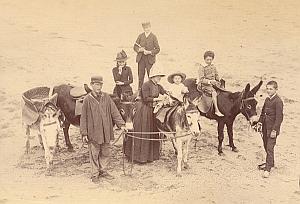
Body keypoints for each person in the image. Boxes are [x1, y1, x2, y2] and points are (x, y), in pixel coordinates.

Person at [80, 76, 126, 183]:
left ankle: (103, 171)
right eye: (96, 84)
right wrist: (84, 133)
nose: (98, 87)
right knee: (94, 153)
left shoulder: (106, 97)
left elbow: (114, 112)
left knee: (105, 152)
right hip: (93, 132)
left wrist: (122, 125)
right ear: (91, 85)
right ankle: (95, 174)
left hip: (106, 131)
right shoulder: (87, 99)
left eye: (100, 84)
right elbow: (83, 118)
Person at [124, 68, 166, 163]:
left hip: (153, 110)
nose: (159, 78)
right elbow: (146, 98)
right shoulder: (146, 85)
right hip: (144, 110)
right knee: (143, 130)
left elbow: (164, 92)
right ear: (152, 76)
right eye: (157, 76)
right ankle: (138, 157)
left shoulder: (158, 86)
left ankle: (151, 156)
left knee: (153, 130)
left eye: (160, 76)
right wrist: (157, 99)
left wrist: (168, 94)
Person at [255, 81, 283, 178]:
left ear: (276, 89)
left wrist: (275, 130)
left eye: (271, 89)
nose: (268, 91)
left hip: (272, 129)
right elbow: (263, 113)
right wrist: (259, 122)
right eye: (267, 88)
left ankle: (267, 169)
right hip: (265, 127)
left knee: (270, 147)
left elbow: (279, 118)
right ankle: (271, 162)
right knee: (266, 145)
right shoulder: (267, 100)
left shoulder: (278, 101)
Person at [133, 21, 160, 90]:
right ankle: (140, 92)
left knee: (150, 76)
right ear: (143, 28)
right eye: (145, 28)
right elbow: (135, 46)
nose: (146, 29)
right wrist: (139, 50)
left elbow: (158, 49)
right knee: (140, 76)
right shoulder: (140, 36)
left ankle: (151, 91)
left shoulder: (153, 37)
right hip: (141, 59)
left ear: (150, 27)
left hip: (150, 60)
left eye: (148, 27)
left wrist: (149, 52)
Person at [196, 50, 224, 117]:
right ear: (204, 59)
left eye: (210, 60)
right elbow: (201, 79)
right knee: (214, 93)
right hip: (204, 85)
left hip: (213, 83)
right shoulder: (202, 67)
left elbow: (216, 74)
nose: (209, 61)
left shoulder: (213, 66)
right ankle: (216, 110)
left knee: (222, 90)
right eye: (207, 60)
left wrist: (217, 81)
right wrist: (210, 82)